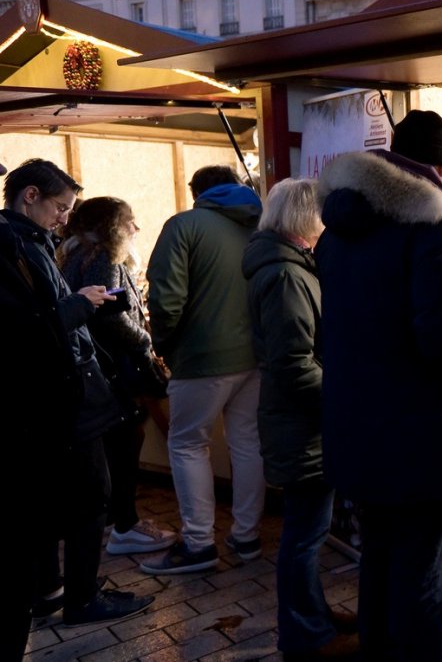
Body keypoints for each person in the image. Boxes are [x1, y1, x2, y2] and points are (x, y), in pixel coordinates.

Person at [315, 110, 442, 662]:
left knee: (379, 558)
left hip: (354, 428)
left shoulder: (338, 229)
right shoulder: (438, 230)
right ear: (441, 170)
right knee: (422, 570)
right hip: (419, 434)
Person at [1, 160, 154, 639]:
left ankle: (51, 589)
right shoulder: (13, 245)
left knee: (51, 497)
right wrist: (80, 304)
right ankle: (82, 597)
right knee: (91, 494)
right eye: (60, 207)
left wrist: (82, 300)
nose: (66, 218)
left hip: (56, 390)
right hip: (63, 391)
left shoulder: (31, 242)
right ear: (30, 195)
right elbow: (30, 329)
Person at [243, 179, 358, 661]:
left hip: (298, 420)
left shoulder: (283, 264)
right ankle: (305, 634)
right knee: (304, 537)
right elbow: (294, 364)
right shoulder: (287, 274)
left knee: (307, 533)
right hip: (302, 424)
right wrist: (343, 400)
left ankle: (314, 616)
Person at [142, 166, 265, 576]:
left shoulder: (184, 226)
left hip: (200, 357)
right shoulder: (260, 224)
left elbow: (165, 299)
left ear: (197, 193)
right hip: (255, 356)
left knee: (187, 445)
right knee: (247, 443)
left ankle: (198, 544)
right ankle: (247, 536)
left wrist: (166, 346)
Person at [58, 196, 178, 557]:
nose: (135, 228)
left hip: (97, 368)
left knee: (117, 442)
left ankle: (116, 520)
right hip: (113, 370)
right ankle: (125, 524)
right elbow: (109, 313)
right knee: (126, 439)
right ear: (112, 227)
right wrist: (144, 339)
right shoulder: (104, 258)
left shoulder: (77, 255)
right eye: (129, 221)